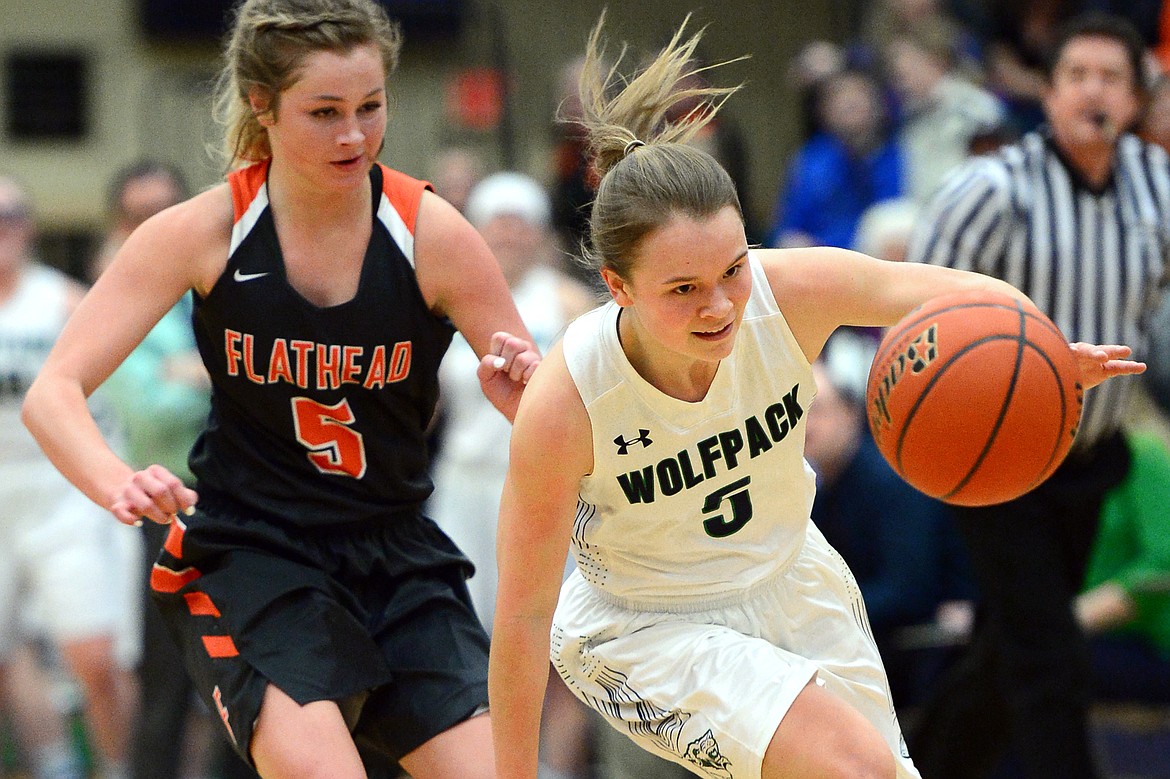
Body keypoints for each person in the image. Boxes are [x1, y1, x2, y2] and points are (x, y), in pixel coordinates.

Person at [487, 15, 1142, 779]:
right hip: (647, 624)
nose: (721, 306)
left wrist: (1045, 349)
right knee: (852, 768)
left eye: (732, 269)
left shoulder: (791, 290)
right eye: (684, 288)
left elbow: (950, 292)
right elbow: (523, 616)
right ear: (617, 287)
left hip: (793, 579)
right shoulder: (568, 397)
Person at [20, 1, 540, 777]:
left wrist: (528, 400)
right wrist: (116, 479)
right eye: (324, 112)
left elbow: (549, 406)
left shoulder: (432, 233)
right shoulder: (206, 231)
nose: (354, 134)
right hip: (255, 553)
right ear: (262, 105)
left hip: (397, 553)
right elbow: (52, 389)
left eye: (370, 107)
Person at [905, 13, 1170, 779]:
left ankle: (916, 769)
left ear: (1135, 96)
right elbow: (918, 311)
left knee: (1006, 655)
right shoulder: (992, 190)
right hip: (999, 462)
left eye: (1110, 77)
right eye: (1077, 75)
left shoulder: (1158, 186)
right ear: (1047, 93)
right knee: (1052, 658)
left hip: (1093, 457)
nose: (1093, 90)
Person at [426, 171, 598, 779]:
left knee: (559, 645)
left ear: (538, 233)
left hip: (547, 488)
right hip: (465, 487)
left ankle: (557, 769)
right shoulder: (444, 306)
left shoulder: (570, 304)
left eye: (518, 222)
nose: (506, 234)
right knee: (468, 641)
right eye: (494, 222)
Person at [92, 160, 254, 779]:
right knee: (167, 683)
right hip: (168, 509)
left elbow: (264, 386)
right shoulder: (119, 304)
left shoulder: (224, 288)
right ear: (117, 224)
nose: (154, 224)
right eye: (137, 214)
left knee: (243, 681)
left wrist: (204, 372)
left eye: (166, 207)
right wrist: (221, 372)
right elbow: (151, 412)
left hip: (248, 507)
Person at [0, 174, 138, 779]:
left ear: (29, 225)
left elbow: (110, 401)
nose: (2, 227)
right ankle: (55, 767)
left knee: (95, 654)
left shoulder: (61, 300)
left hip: (60, 491)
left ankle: (116, 768)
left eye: (11, 214)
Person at [805, 332, 977, 713]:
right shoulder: (814, 485)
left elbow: (909, 590)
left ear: (852, 415)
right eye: (793, 415)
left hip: (928, 646)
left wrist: (810, 614)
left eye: (816, 412)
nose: (804, 428)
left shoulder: (889, 481)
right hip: (875, 636)